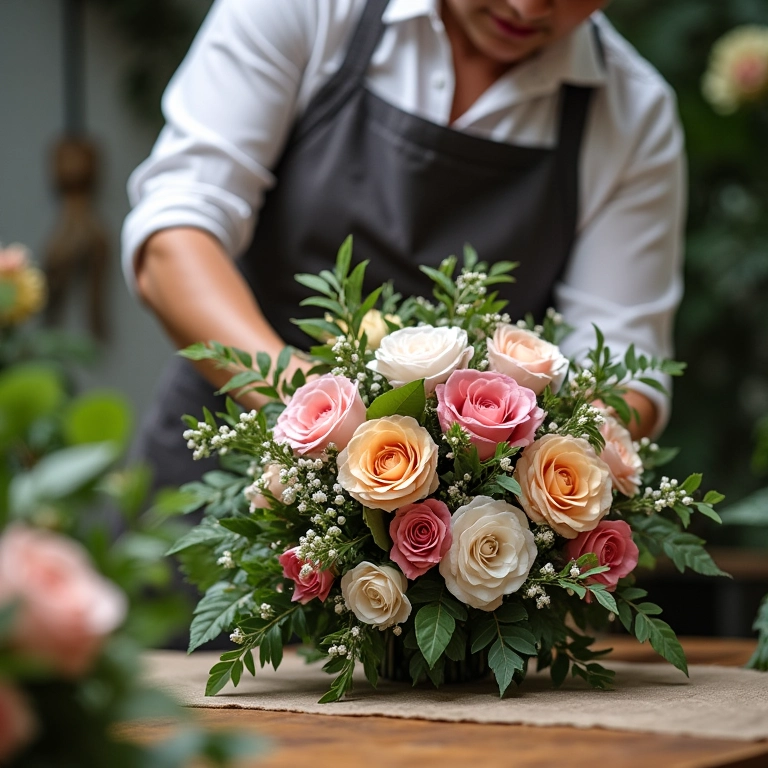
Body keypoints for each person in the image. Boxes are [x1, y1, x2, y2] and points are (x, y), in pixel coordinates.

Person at [122, 0, 685, 489]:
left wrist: (478, 488)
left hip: (454, 540)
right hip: (219, 465)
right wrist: (315, 416)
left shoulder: (632, 116)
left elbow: (623, 372)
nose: (528, 9)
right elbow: (175, 237)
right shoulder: (314, 10)